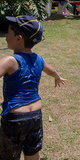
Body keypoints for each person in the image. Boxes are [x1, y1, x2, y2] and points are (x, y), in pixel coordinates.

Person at [0, 16, 67, 160]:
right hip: (35, 115)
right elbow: (51, 70)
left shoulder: (10, 61)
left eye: (8, 33)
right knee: (32, 153)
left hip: (15, 118)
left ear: (18, 38)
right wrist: (57, 77)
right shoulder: (39, 59)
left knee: (8, 156)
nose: (5, 36)